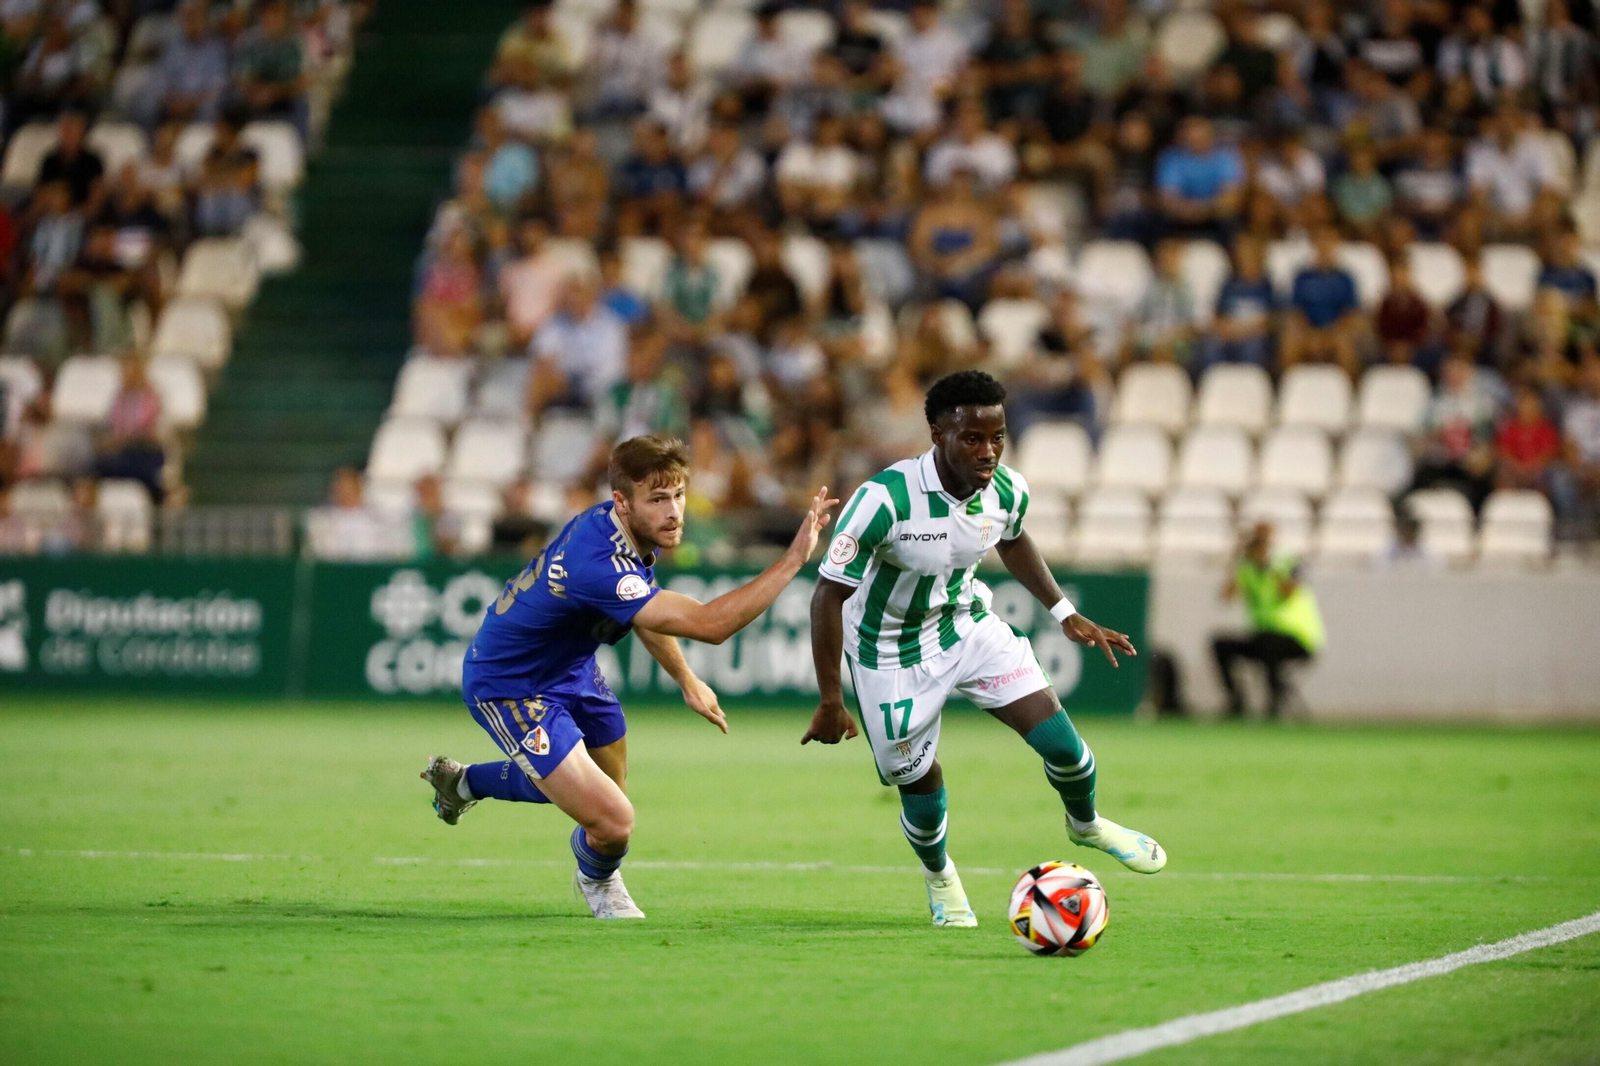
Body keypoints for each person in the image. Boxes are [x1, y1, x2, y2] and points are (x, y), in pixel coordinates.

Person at [801, 370, 1163, 930]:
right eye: (972, 438)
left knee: (1063, 746)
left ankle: (1086, 823)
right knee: (916, 781)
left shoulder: (1008, 489)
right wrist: (831, 697)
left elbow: (1012, 537)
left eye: (998, 437)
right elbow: (827, 596)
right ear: (936, 433)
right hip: (888, 653)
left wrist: (1065, 613)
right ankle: (940, 875)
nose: (988, 451)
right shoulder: (883, 499)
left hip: (965, 626)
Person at [420, 435, 838, 919]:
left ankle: (464, 784)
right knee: (614, 821)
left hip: (571, 671)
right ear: (623, 501)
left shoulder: (623, 531)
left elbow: (643, 611)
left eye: (678, 495)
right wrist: (793, 560)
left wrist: (686, 679)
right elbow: (712, 625)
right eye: (658, 499)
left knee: (600, 792)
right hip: (511, 685)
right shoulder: (597, 562)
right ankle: (598, 881)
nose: (674, 511)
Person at [1212, 521, 1325, 719]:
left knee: (1269, 644)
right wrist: (1236, 560)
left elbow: (1287, 591)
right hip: (1264, 635)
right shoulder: (1247, 568)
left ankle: (1274, 706)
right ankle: (1236, 702)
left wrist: (1268, 566)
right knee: (1221, 644)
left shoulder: (1287, 561)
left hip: (1299, 637)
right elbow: (1227, 595)